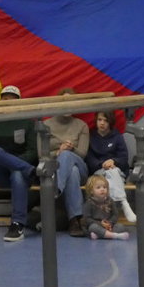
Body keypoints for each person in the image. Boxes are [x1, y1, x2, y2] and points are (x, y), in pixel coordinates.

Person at [0, 85, 39, 242]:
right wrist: (11, 162)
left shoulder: (27, 122)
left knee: (18, 174)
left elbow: (33, 151)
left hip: (20, 174)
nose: (8, 102)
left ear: (19, 102)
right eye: (5, 99)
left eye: (12, 100)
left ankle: (17, 224)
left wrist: (15, 164)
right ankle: (30, 170)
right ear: (0, 101)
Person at [44, 89, 91, 237]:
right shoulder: (45, 125)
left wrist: (69, 150)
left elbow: (82, 154)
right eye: (65, 102)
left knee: (69, 159)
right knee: (72, 173)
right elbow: (41, 154)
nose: (68, 106)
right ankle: (74, 220)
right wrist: (57, 152)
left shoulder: (82, 125)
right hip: (54, 168)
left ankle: (55, 189)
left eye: (72, 102)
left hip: (80, 165)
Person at [87, 110, 136, 222]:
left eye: (106, 120)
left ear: (110, 122)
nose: (102, 123)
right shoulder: (91, 136)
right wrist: (102, 164)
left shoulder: (117, 136)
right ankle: (123, 203)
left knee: (112, 172)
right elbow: (89, 159)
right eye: (100, 120)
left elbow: (124, 158)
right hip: (98, 172)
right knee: (108, 175)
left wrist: (114, 161)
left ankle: (107, 216)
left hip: (116, 170)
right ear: (96, 121)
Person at [81, 175, 130, 240]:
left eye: (104, 187)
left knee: (121, 227)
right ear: (91, 191)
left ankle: (101, 235)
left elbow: (115, 214)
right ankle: (114, 235)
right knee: (93, 227)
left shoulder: (110, 200)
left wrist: (110, 223)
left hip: (108, 224)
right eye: (98, 187)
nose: (102, 189)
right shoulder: (89, 203)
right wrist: (101, 224)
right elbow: (87, 219)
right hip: (96, 224)